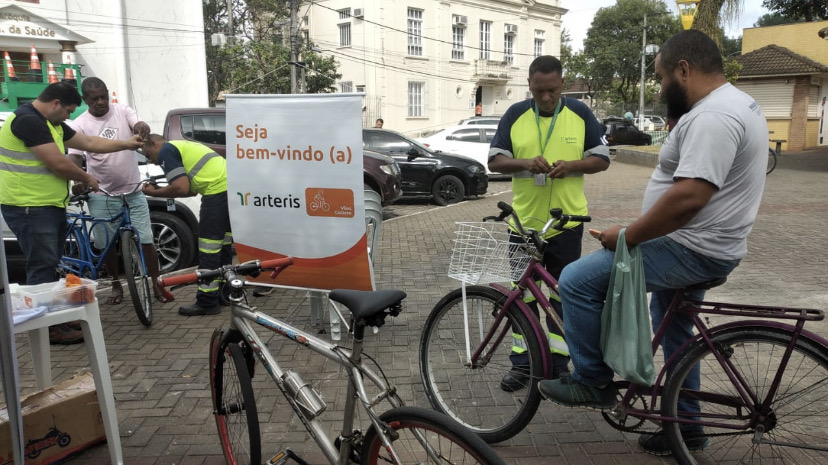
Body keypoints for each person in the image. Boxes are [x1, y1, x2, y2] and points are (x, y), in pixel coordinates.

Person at [538, 30, 768, 457]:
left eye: (662, 79)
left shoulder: (713, 117)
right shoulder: (735, 104)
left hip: (690, 246)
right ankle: (686, 427)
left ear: (684, 69)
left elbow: (688, 199)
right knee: (675, 324)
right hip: (707, 244)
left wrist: (626, 236)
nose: (662, 89)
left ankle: (591, 381)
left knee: (574, 281)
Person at [488, 55, 610, 391]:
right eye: (540, 90)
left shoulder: (580, 113)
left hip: (565, 225)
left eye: (553, 90)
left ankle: (558, 365)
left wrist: (572, 165)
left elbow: (602, 159)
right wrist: (525, 162)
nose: (546, 97)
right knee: (522, 297)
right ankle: (522, 363)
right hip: (523, 224)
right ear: (529, 84)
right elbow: (495, 160)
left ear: (562, 84)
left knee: (562, 296)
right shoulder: (515, 115)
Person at [0, 82, 143, 344]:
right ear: (55, 104)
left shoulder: (50, 123)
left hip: (46, 205)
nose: (69, 117)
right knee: (42, 267)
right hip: (28, 206)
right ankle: (44, 329)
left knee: (50, 263)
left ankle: (55, 318)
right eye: (68, 111)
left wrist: (126, 144)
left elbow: (88, 141)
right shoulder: (27, 121)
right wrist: (86, 177)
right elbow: (57, 163)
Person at [67, 77, 174, 306]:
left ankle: (157, 283)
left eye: (103, 96)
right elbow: (75, 156)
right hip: (102, 194)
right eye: (94, 98)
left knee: (146, 239)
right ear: (85, 99)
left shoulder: (122, 110)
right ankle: (116, 283)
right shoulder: (79, 124)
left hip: (133, 191)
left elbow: (137, 124)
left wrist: (141, 127)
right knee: (106, 245)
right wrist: (79, 177)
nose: (100, 102)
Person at [140, 134, 231, 316]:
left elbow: (181, 188)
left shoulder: (167, 150)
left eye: (149, 155)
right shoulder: (180, 146)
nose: (154, 162)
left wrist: (154, 194)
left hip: (216, 192)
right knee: (223, 247)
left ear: (154, 144)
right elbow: (188, 190)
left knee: (209, 249)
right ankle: (224, 294)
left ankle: (207, 302)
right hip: (229, 189)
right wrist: (161, 190)